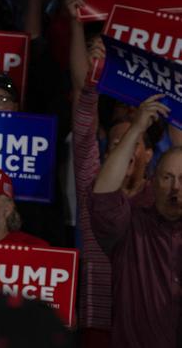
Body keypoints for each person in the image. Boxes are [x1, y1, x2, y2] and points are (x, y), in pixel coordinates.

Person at [90, 96, 181, 348]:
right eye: (167, 178)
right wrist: (137, 128)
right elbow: (104, 197)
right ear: (153, 182)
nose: (175, 188)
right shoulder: (131, 229)